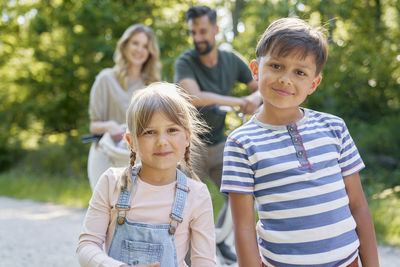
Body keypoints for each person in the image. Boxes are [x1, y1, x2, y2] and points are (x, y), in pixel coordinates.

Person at [221, 17, 379, 267]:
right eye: (275, 66)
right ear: (255, 69)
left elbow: (358, 206)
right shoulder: (241, 143)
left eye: (300, 72)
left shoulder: (334, 128)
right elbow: (243, 228)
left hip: (346, 261)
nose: (286, 79)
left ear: (313, 83)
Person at [77, 82, 217, 267]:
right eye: (149, 132)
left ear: (187, 137)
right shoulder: (111, 182)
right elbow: (87, 246)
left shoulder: (197, 195)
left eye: (172, 130)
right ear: (131, 141)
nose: (162, 141)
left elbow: (204, 262)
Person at [173, 6, 262, 262]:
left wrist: (253, 99)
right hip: (192, 145)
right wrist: (239, 101)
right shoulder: (185, 61)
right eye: (193, 32)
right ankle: (189, 260)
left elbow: (260, 87)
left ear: (215, 29)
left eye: (202, 31)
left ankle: (221, 238)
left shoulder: (231, 60)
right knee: (187, 205)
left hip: (221, 143)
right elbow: (193, 95)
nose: (198, 37)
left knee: (244, 193)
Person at [87, 24, 161, 190]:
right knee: (106, 210)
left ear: (150, 52)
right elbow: (93, 125)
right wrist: (110, 126)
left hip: (140, 158)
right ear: (125, 45)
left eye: (145, 46)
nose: (139, 50)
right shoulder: (105, 79)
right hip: (106, 154)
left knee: (136, 212)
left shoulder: (152, 85)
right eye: (135, 43)